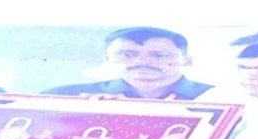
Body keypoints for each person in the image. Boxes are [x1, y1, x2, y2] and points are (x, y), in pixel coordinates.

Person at [45, 27, 212, 99]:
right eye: (127, 54)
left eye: (160, 55)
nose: (143, 62)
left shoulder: (218, 98)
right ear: (107, 58)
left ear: (187, 60)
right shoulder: (65, 97)